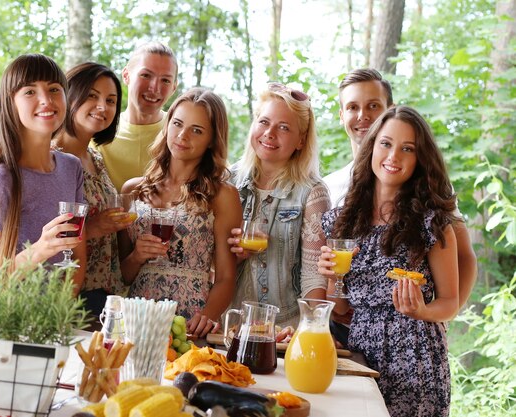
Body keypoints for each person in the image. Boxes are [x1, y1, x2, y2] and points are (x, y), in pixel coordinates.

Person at [319, 105, 459, 417]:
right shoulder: (342, 221)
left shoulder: (432, 223)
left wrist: (422, 310)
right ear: (371, 147)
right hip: (361, 355)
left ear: (419, 159)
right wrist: (332, 277)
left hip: (417, 359)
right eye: (386, 144)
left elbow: (451, 302)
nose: (393, 156)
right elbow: (341, 310)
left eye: (407, 149)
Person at [324, 68, 477, 346]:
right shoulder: (330, 189)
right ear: (341, 114)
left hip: (413, 342)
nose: (363, 116)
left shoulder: (431, 197)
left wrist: (435, 316)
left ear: (388, 110)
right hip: (347, 338)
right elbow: (335, 293)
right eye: (352, 107)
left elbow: (464, 259)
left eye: (373, 105)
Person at [119, 87, 242, 338]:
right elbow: (123, 274)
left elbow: (226, 277)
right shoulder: (132, 190)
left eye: (197, 130)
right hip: (137, 318)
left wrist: (206, 316)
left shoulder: (223, 195)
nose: (182, 136)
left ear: (211, 141)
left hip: (188, 322)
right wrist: (137, 256)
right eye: (177, 124)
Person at [0, 54, 86, 291]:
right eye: (29, 91)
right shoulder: (1, 179)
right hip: (8, 321)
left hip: (55, 322)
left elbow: (77, 258)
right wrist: (39, 250)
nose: (46, 100)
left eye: (54, 89)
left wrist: (61, 315)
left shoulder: (72, 167)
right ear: (11, 102)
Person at [227, 83, 329, 332]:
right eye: (264, 122)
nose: (270, 133)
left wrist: (310, 327)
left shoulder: (312, 192)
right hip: (227, 326)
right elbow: (206, 264)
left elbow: (315, 275)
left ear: (300, 141)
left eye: (284, 127)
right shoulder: (226, 182)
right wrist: (233, 257)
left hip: (283, 329)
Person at [52, 62, 131, 320]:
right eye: (92, 96)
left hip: (105, 291)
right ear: (69, 95)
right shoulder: (52, 158)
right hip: (70, 294)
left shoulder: (95, 158)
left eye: (110, 101)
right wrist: (94, 227)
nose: (102, 107)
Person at [99, 42, 179, 191]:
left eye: (165, 80)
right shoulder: (99, 130)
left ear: (174, 87)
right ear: (126, 75)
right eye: (146, 75)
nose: (154, 88)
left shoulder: (182, 133)